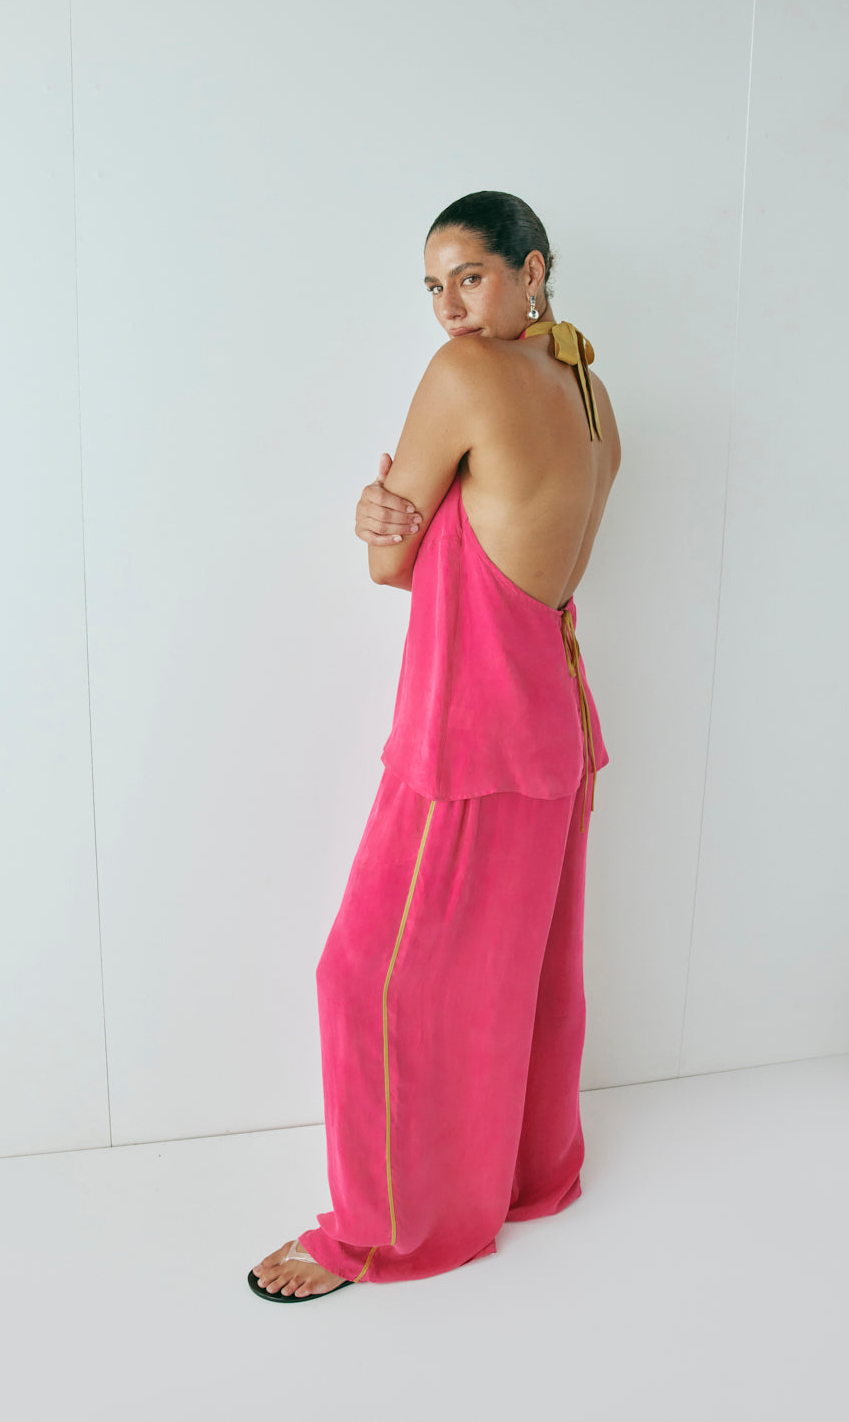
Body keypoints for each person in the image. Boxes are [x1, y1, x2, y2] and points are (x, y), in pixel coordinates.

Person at [249, 190, 620, 1302]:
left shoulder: (465, 376)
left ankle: (383, 1233)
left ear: (532, 269)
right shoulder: (592, 393)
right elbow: (534, 547)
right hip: (556, 717)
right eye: (432, 287)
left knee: (368, 979)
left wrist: (383, 511)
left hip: (472, 728)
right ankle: (525, 1178)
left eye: (469, 276)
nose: (450, 308)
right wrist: (420, 506)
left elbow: (391, 565)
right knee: (521, 969)